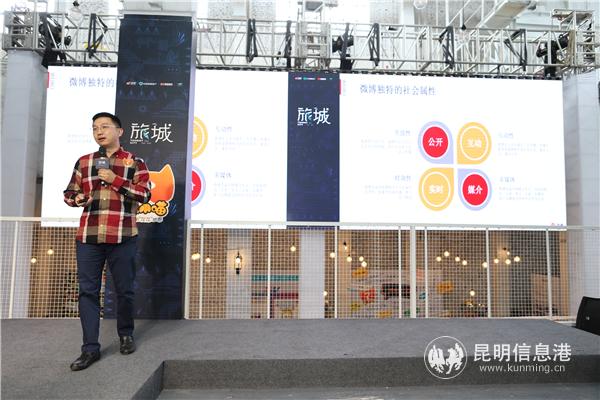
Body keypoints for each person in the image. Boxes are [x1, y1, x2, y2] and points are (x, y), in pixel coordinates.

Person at [63, 112, 150, 371]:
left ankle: (126, 334)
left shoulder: (135, 162)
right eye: (94, 128)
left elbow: (145, 195)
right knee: (87, 292)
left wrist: (116, 180)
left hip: (123, 236)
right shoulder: (85, 161)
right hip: (89, 237)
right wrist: (77, 199)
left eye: (104, 127)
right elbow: (69, 192)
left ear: (119, 131)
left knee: (125, 290)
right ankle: (90, 348)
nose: (99, 132)